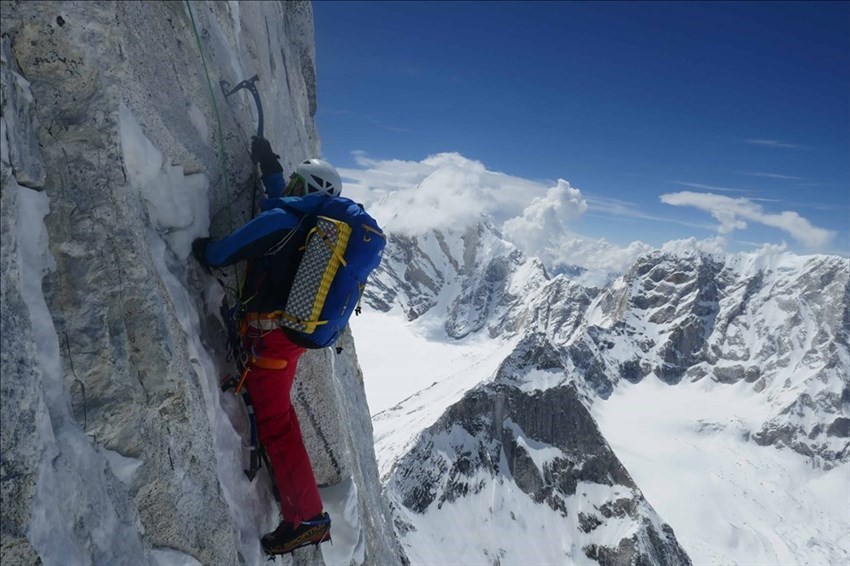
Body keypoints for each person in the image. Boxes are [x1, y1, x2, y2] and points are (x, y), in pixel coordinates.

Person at [192, 137, 341, 555]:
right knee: (280, 416)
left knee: (277, 422)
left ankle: (308, 517)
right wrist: (270, 166)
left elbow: (223, 253)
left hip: (269, 340)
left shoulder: (282, 221)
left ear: (304, 190)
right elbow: (281, 203)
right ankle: (305, 511)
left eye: (295, 182)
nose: (287, 186)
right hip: (284, 339)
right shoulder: (309, 227)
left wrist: (203, 249)